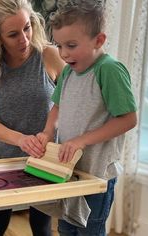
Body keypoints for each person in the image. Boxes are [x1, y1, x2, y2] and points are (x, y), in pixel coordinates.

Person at [35, 0, 137, 235]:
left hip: (96, 175)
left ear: (98, 40)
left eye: (71, 45)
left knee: (89, 230)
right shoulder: (69, 70)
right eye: (59, 45)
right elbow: (57, 107)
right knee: (66, 228)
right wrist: (47, 132)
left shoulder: (109, 70)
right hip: (69, 171)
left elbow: (128, 119)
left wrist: (81, 140)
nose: (63, 53)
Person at [0, 0, 65, 235]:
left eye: (27, 27)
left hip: (45, 158)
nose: (24, 39)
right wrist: (20, 140)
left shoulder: (50, 55)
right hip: (5, 158)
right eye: (13, 34)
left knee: (41, 225)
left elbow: (69, 102)